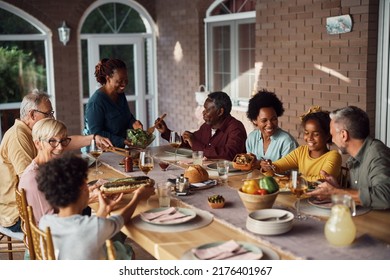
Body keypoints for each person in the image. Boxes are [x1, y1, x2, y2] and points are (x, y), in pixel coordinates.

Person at [0, 90, 112, 232]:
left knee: (82, 204)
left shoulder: (36, 134)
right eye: (48, 114)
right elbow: (34, 186)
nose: (52, 118)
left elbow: (63, 144)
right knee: (82, 209)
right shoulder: (18, 138)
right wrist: (84, 198)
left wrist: (93, 138)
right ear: (32, 115)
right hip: (19, 215)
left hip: (37, 205)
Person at [37, 153, 155, 259]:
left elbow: (88, 231)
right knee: (126, 251)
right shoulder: (94, 227)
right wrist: (138, 196)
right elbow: (121, 219)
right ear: (83, 188)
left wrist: (104, 210)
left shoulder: (45, 221)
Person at [18, 118, 99, 225]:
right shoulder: (33, 178)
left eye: (63, 141)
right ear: (38, 144)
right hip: (50, 239)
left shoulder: (48, 170)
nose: (60, 147)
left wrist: (84, 194)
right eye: (52, 141)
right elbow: (52, 224)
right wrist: (85, 200)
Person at [307, 106, 390, 209]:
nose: (332, 140)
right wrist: (337, 188)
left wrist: (336, 192)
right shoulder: (357, 155)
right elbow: (358, 196)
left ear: (343, 135)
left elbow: (385, 197)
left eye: (332, 134)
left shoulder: (378, 155)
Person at [155, 91, 247, 161]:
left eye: (207, 109)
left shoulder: (236, 128)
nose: (203, 112)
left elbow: (229, 154)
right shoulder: (207, 127)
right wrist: (166, 132)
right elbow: (189, 143)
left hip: (231, 177)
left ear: (220, 112)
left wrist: (195, 143)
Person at [261, 106, 342, 183]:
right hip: (302, 195)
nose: (310, 138)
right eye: (306, 133)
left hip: (324, 197)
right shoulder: (301, 151)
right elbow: (277, 166)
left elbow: (323, 179)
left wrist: (294, 178)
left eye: (316, 134)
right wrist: (268, 167)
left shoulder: (334, 156)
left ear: (327, 135)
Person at [83, 58, 143, 148]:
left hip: (119, 150)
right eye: (119, 81)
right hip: (99, 153)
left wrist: (133, 123)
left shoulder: (119, 94)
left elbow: (126, 116)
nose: (124, 84)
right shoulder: (96, 102)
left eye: (126, 80)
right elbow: (96, 133)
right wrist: (123, 141)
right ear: (108, 78)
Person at [246, 90, 298, 165]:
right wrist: (252, 162)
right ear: (254, 120)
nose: (270, 124)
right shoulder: (252, 138)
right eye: (264, 120)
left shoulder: (287, 142)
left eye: (273, 119)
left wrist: (266, 166)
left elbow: (290, 172)